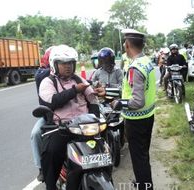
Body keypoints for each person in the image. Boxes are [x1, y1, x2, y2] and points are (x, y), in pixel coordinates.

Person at [38, 44, 103, 190]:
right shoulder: (48, 82)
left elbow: (93, 100)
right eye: (64, 63)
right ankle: (50, 185)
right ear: (55, 64)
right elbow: (53, 101)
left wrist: (95, 119)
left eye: (71, 63)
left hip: (84, 127)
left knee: (103, 149)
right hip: (63, 128)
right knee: (51, 152)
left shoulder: (79, 79)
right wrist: (74, 91)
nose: (68, 66)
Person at [111, 29, 156, 190]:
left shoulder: (135, 68)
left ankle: (145, 186)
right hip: (148, 116)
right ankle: (143, 182)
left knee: (139, 158)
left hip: (136, 121)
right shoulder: (147, 61)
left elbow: (137, 101)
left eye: (125, 42)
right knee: (143, 154)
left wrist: (119, 104)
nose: (124, 45)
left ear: (128, 44)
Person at [31, 46, 53, 182]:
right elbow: (40, 74)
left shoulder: (72, 77)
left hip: (70, 116)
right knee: (35, 134)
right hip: (50, 116)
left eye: (67, 63)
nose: (65, 66)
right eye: (60, 62)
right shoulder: (43, 76)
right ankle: (41, 168)